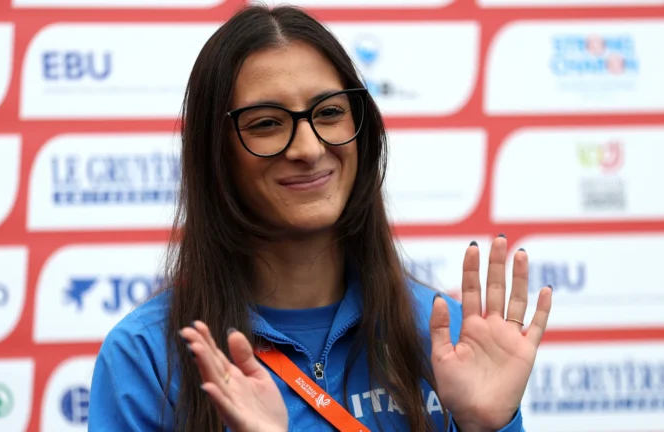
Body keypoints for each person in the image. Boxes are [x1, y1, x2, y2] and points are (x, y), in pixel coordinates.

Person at [87, 4, 553, 432]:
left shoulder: (442, 334)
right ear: (216, 154)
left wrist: (487, 426)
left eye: (329, 112)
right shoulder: (148, 356)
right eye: (266, 123)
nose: (309, 149)